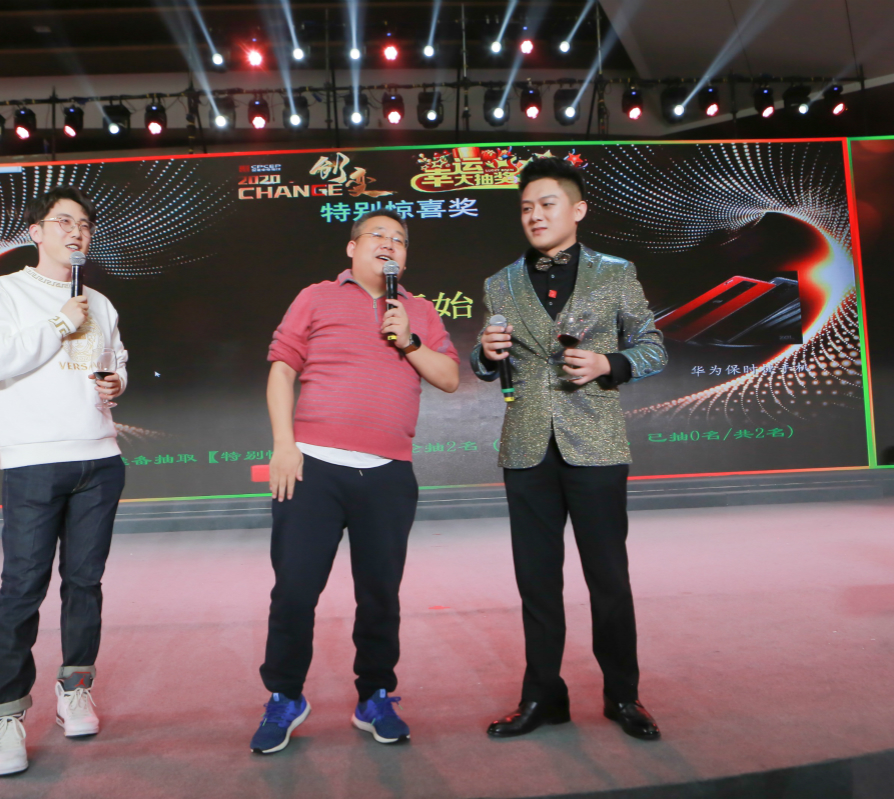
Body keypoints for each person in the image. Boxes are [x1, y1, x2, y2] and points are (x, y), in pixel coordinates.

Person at [250, 209, 459, 754]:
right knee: (294, 590)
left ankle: (375, 696)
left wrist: (409, 341)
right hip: (312, 468)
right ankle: (285, 696)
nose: (389, 245)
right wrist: (283, 445)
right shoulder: (316, 297)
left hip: (388, 473)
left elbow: (449, 377)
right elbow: (282, 369)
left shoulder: (419, 310)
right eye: (378, 236)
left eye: (399, 240)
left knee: (380, 595)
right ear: (352, 247)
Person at [472, 157, 667, 740]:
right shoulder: (500, 282)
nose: (535, 215)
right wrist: (485, 354)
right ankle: (543, 697)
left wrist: (610, 363)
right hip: (526, 448)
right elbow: (486, 364)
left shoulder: (616, 272)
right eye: (526, 208)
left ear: (577, 210)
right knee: (536, 582)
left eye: (547, 204)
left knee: (608, 579)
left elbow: (654, 346)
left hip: (597, 444)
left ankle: (623, 695)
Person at [0, 186, 128, 776]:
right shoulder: (4, 293)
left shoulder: (100, 302)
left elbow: (116, 359)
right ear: (36, 232)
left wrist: (117, 383)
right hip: (33, 461)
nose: (76, 232)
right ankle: (5, 714)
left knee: (85, 583)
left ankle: (75, 689)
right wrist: (59, 322)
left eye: (84, 223)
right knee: (23, 587)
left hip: (99, 459)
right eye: (63, 221)